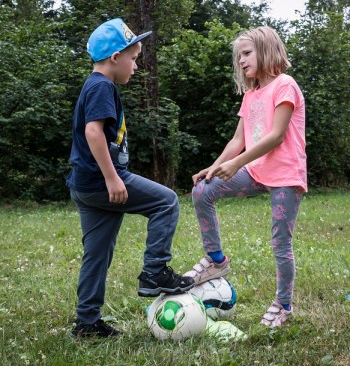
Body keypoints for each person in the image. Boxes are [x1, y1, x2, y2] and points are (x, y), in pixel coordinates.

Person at [66, 18, 194, 338]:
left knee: (97, 255)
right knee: (166, 201)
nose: (135, 67)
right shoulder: (101, 86)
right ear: (115, 58)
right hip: (101, 181)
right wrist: (112, 178)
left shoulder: (95, 85)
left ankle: (87, 323)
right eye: (133, 59)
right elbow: (93, 131)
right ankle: (154, 273)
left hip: (85, 184)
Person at [184, 26, 307, 328]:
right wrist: (213, 168)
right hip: (254, 171)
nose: (241, 61)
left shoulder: (284, 85)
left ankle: (284, 305)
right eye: (239, 56)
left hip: (286, 176)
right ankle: (216, 260)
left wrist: (237, 163)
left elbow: (276, 136)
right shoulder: (251, 95)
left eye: (247, 53)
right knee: (202, 191)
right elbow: (237, 141)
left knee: (280, 243)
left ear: (266, 50)